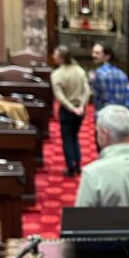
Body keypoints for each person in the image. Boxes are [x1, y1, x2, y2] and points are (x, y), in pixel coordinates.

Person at [51, 45, 90, 177]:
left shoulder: (56, 74)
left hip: (67, 110)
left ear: (61, 58)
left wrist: (72, 108)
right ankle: (78, 165)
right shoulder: (79, 70)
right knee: (75, 137)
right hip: (80, 110)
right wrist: (81, 107)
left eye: (55, 54)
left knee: (67, 138)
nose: (53, 57)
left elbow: (60, 97)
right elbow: (87, 91)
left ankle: (70, 167)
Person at [90, 43, 129, 113]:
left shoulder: (99, 74)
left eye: (97, 53)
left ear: (107, 56)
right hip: (121, 115)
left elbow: (98, 100)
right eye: (93, 52)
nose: (93, 55)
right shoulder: (122, 73)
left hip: (105, 116)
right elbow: (127, 98)